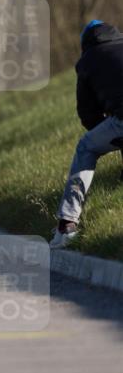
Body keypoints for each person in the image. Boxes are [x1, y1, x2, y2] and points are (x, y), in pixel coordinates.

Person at [50, 20, 123, 248]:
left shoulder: (88, 61)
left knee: (86, 146)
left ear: (85, 43)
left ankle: (67, 224)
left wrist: (109, 134)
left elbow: (88, 114)